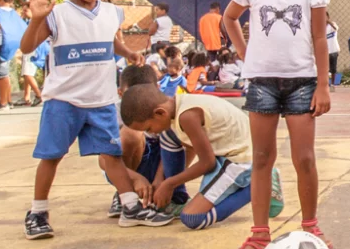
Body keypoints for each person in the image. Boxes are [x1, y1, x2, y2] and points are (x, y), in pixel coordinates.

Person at [20, 0, 172, 239]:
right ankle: (37, 211)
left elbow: (108, 41)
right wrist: (37, 19)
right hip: (64, 99)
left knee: (112, 155)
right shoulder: (57, 15)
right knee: (52, 156)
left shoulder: (112, 12)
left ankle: (130, 207)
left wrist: (127, 51)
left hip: (100, 100)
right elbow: (27, 48)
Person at [223, 0, 332, 249]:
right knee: (261, 159)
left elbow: (319, 37)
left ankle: (311, 226)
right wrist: (246, 54)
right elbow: (229, 19)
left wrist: (323, 86)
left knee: (304, 158)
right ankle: (258, 234)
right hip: (262, 85)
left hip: (302, 84)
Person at [120, 83, 284, 230]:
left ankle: (263, 180)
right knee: (168, 136)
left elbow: (208, 163)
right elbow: (191, 146)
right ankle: (178, 199)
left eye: (149, 128)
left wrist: (169, 183)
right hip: (228, 150)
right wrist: (159, 181)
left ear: (159, 113)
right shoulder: (179, 103)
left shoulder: (187, 116)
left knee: (192, 218)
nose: (151, 133)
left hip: (240, 159)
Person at [113, 65, 189, 217]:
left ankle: (174, 195)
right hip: (131, 169)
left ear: (157, 88)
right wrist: (135, 179)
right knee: (130, 134)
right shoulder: (114, 113)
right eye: (131, 94)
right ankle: (126, 193)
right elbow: (104, 160)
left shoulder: (167, 108)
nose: (138, 98)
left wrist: (162, 179)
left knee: (184, 133)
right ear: (120, 93)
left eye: (145, 92)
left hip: (162, 162)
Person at [0, 0, 26, 111]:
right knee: (6, 74)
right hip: (9, 44)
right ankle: (8, 100)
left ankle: (3, 103)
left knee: (1, 75)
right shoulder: (12, 12)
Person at [16, 3, 48, 108]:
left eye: (26, 11)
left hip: (34, 50)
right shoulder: (29, 22)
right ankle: (26, 96)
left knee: (27, 74)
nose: (23, 13)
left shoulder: (34, 23)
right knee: (27, 73)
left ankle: (39, 95)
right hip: (38, 49)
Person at [325, 11, 340, 91]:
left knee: (333, 69)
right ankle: (327, 84)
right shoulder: (320, 27)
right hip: (325, 52)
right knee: (326, 69)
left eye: (325, 17)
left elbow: (336, 28)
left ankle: (333, 85)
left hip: (334, 50)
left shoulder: (332, 25)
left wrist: (329, 22)